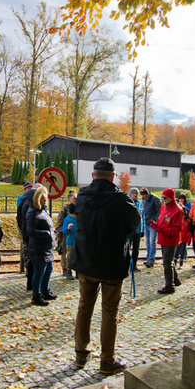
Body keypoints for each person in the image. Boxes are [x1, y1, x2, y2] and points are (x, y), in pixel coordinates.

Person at [71, 158, 140, 375]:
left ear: (93, 175)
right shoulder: (121, 199)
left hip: (85, 262)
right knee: (109, 312)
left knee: (84, 308)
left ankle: (81, 354)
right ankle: (107, 360)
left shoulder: (81, 196)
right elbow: (134, 225)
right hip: (111, 263)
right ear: (113, 176)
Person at [149, 188, 184, 294]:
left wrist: (162, 229)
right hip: (163, 237)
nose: (163, 199)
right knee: (169, 261)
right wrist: (156, 226)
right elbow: (161, 221)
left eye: (165, 197)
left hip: (170, 239)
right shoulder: (164, 208)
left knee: (167, 262)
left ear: (171, 198)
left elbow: (177, 229)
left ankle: (169, 285)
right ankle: (175, 280)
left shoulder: (178, 211)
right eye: (162, 197)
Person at [26, 185, 56, 306]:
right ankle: (36, 296)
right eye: (43, 198)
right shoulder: (32, 212)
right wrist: (47, 234)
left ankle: (45, 290)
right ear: (36, 199)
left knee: (49, 269)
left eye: (46, 198)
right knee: (39, 272)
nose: (45, 200)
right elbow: (30, 231)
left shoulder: (42, 210)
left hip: (46, 247)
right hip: (39, 248)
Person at [17, 182, 39, 292]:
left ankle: (32, 285)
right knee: (31, 263)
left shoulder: (26, 203)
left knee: (31, 263)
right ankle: (32, 286)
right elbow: (24, 223)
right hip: (30, 238)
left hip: (28, 237)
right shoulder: (28, 205)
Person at [54, 189, 77, 277]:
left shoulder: (77, 207)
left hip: (73, 235)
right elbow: (59, 223)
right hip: (64, 234)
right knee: (64, 252)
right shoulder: (64, 209)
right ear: (69, 198)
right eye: (74, 198)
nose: (75, 199)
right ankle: (65, 269)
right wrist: (58, 235)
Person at [140, 188, 161, 268]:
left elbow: (159, 210)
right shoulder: (144, 200)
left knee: (152, 242)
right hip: (146, 223)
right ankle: (149, 258)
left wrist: (155, 220)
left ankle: (151, 259)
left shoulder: (155, 199)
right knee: (147, 242)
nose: (144, 196)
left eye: (144, 195)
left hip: (152, 223)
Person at [129, 188, 144, 272]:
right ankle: (126, 266)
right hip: (130, 229)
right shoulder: (128, 202)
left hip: (138, 230)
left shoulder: (140, 203)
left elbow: (142, 217)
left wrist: (143, 230)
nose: (135, 195)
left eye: (136, 193)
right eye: (133, 193)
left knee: (136, 249)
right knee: (127, 248)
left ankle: (134, 265)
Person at [175, 192, 191, 269]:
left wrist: (189, 239)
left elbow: (189, 230)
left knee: (182, 250)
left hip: (184, 238)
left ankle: (181, 262)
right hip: (178, 238)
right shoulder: (178, 220)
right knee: (176, 250)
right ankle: (174, 262)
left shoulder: (187, 221)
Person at [62, 204, 77, 280]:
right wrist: (68, 228)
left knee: (78, 256)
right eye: (74, 214)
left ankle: (78, 271)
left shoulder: (79, 219)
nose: (75, 215)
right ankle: (69, 271)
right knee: (69, 257)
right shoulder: (67, 219)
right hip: (70, 241)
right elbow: (63, 230)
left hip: (78, 241)